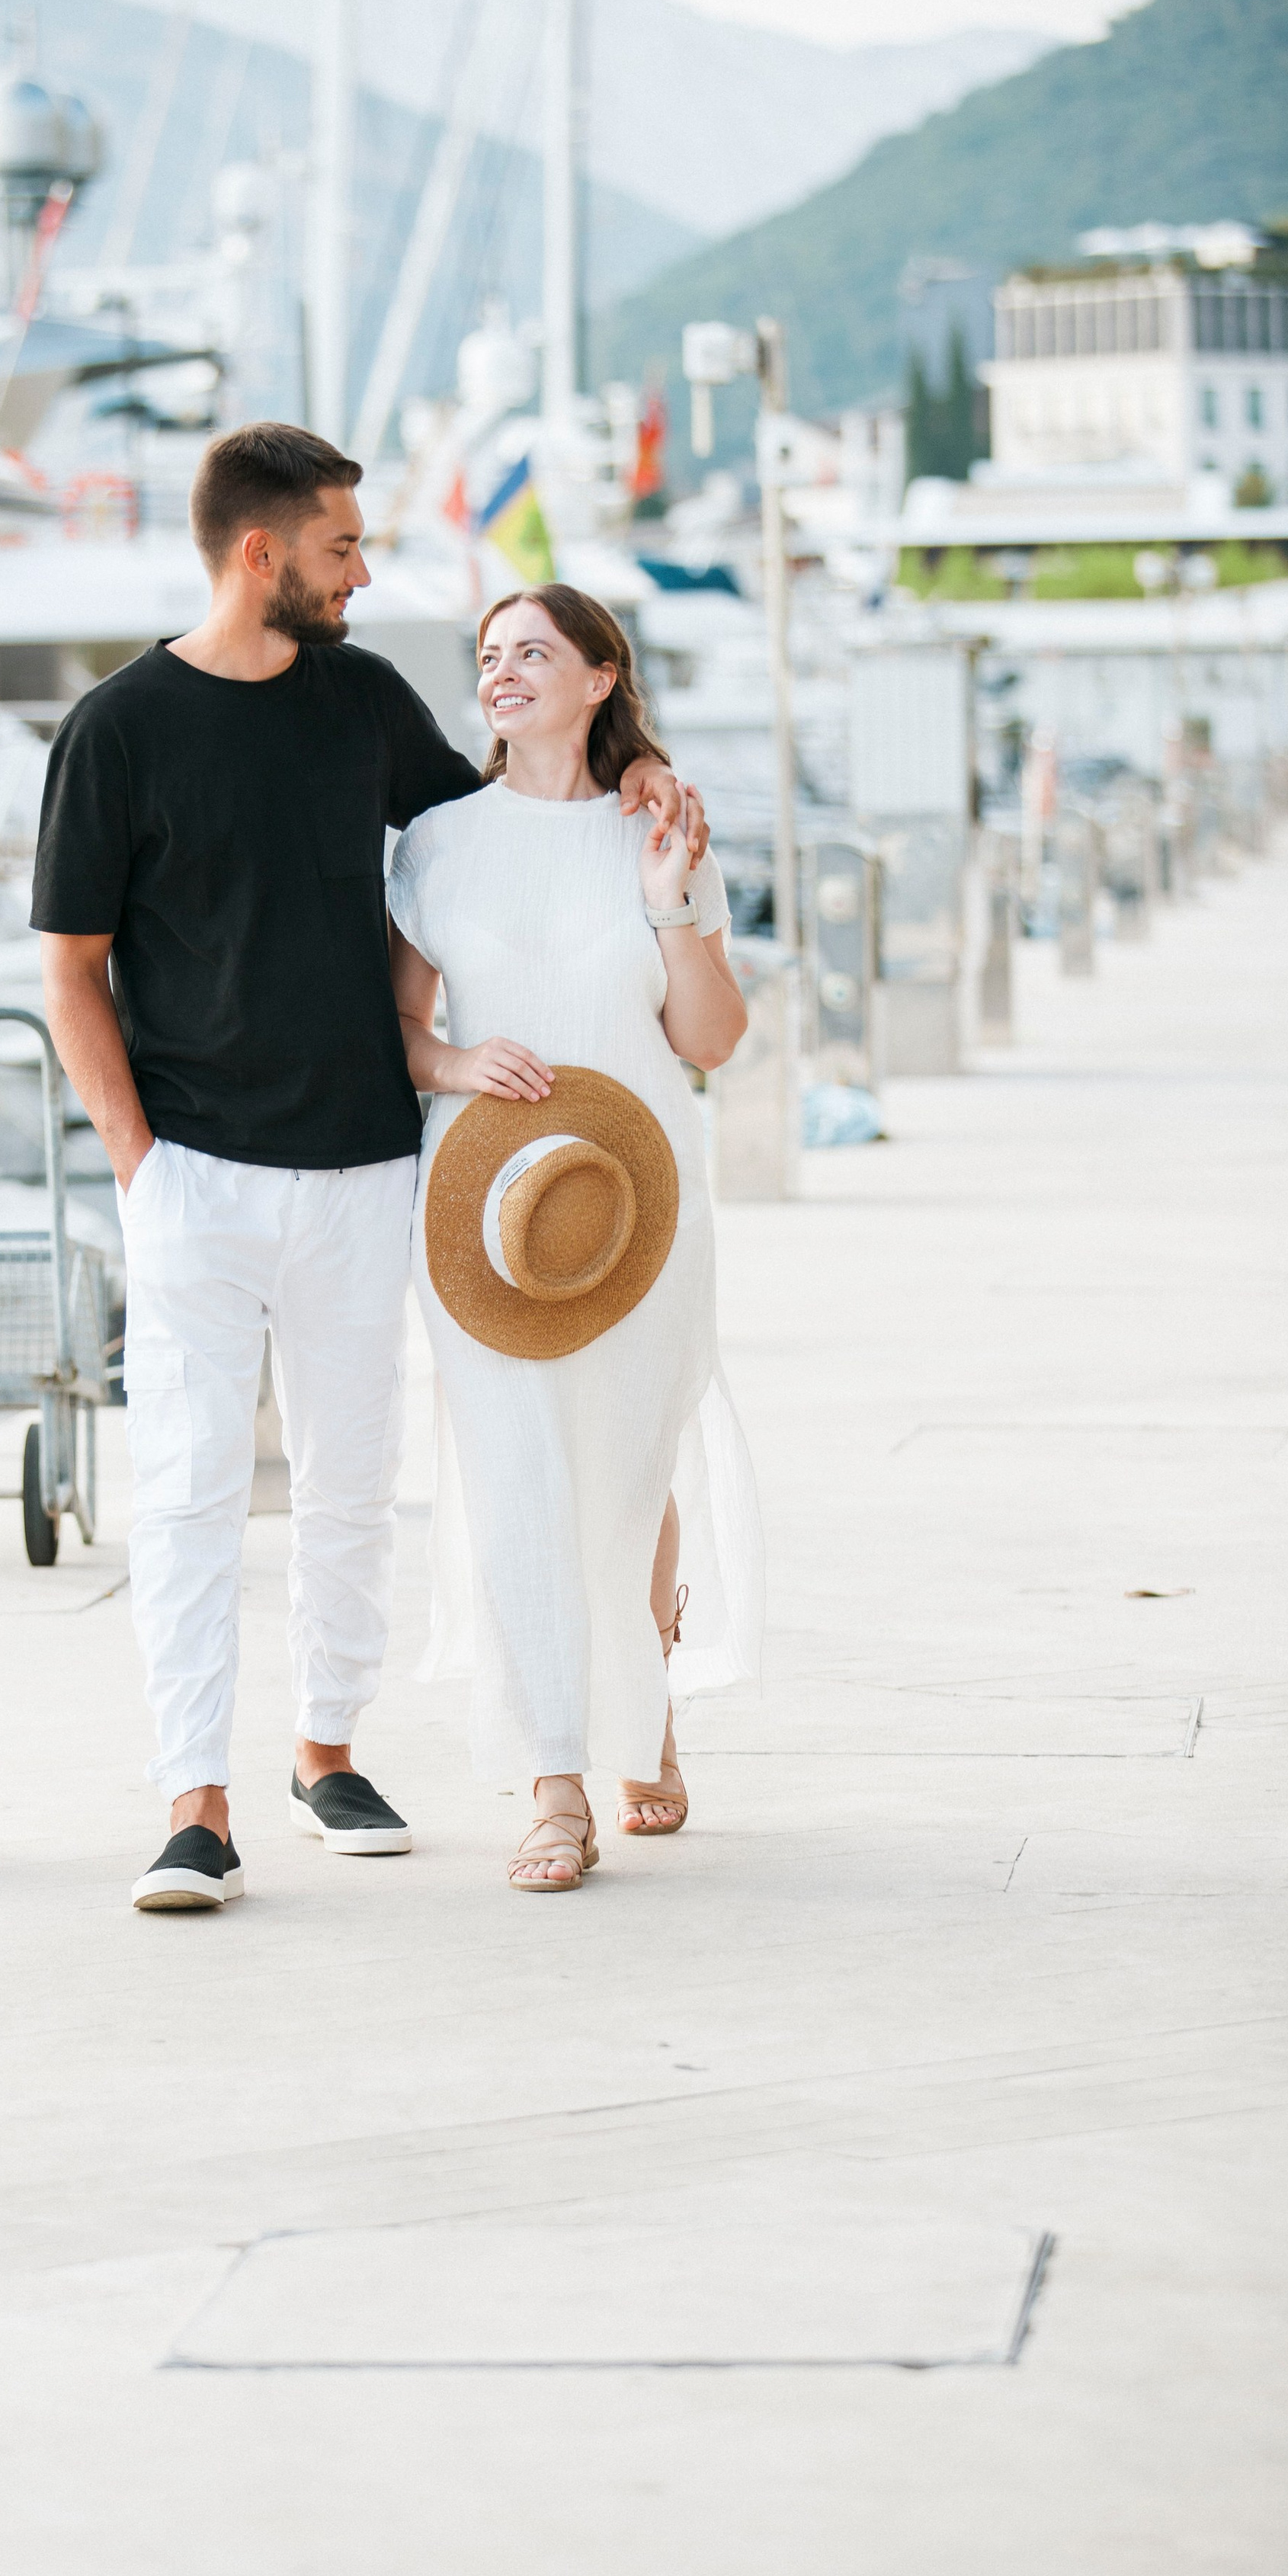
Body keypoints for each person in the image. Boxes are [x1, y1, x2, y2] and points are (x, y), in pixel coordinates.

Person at [33, 424, 709, 1913]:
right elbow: (69, 972)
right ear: (262, 554)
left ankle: (322, 1751)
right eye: (342, 547)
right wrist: (137, 1161)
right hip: (192, 1176)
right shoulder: (118, 728)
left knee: (350, 1487)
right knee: (192, 1481)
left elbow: (506, 807)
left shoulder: (360, 704)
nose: (361, 570)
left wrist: (645, 764)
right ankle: (191, 1802)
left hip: (363, 1176)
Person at [387, 584, 764, 1891]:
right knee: (515, 1479)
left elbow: (713, 1041)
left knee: (625, 1463)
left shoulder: (661, 826)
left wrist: (668, 900)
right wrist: (449, 1064)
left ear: (602, 678)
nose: (502, 673)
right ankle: (557, 1780)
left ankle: (641, 1703)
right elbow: (399, 1031)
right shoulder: (434, 842)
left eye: (532, 652)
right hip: (484, 1214)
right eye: (489, 657)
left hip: (641, 1199)